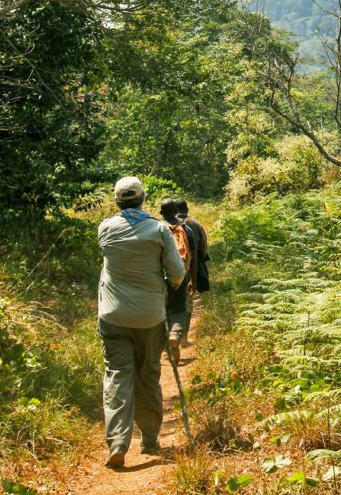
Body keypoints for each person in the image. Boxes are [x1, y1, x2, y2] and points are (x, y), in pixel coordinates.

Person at [97, 176, 185, 469]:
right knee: (147, 374)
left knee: (117, 375)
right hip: (149, 317)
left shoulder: (105, 228)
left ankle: (118, 443)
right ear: (143, 199)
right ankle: (149, 440)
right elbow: (177, 272)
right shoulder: (159, 230)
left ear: (117, 201)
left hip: (112, 316)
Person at [158, 198, 195, 361]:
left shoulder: (156, 229)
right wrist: (192, 279)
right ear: (176, 212)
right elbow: (192, 257)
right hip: (182, 273)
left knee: (163, 309)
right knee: (179, 308)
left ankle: (166, 344)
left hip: (160, 275)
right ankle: (175, 335)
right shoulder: (186, 229)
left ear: (161, 213)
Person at [176, 198, 210, 296]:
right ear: (187, 209)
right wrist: (202, 258)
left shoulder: (169, 225)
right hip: (193, 263)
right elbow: (203, 245)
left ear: (174, 210)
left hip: (175, 264)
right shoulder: (194, 223)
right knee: (190, 294)